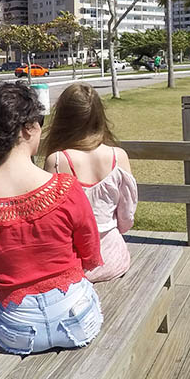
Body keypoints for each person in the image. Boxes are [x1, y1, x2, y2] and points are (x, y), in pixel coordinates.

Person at [0, 81, 104, 355]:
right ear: (28, 128)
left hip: (17, 330)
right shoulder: (65, 188)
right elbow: (90, 252)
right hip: (77, 318)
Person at [42, 82, 138, 282]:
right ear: (99, 116)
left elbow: (49, 222)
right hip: (114, 258)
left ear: (62, 118)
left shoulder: (57, 160)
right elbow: (127, 216)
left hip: (72, 262)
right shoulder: (118, 156)